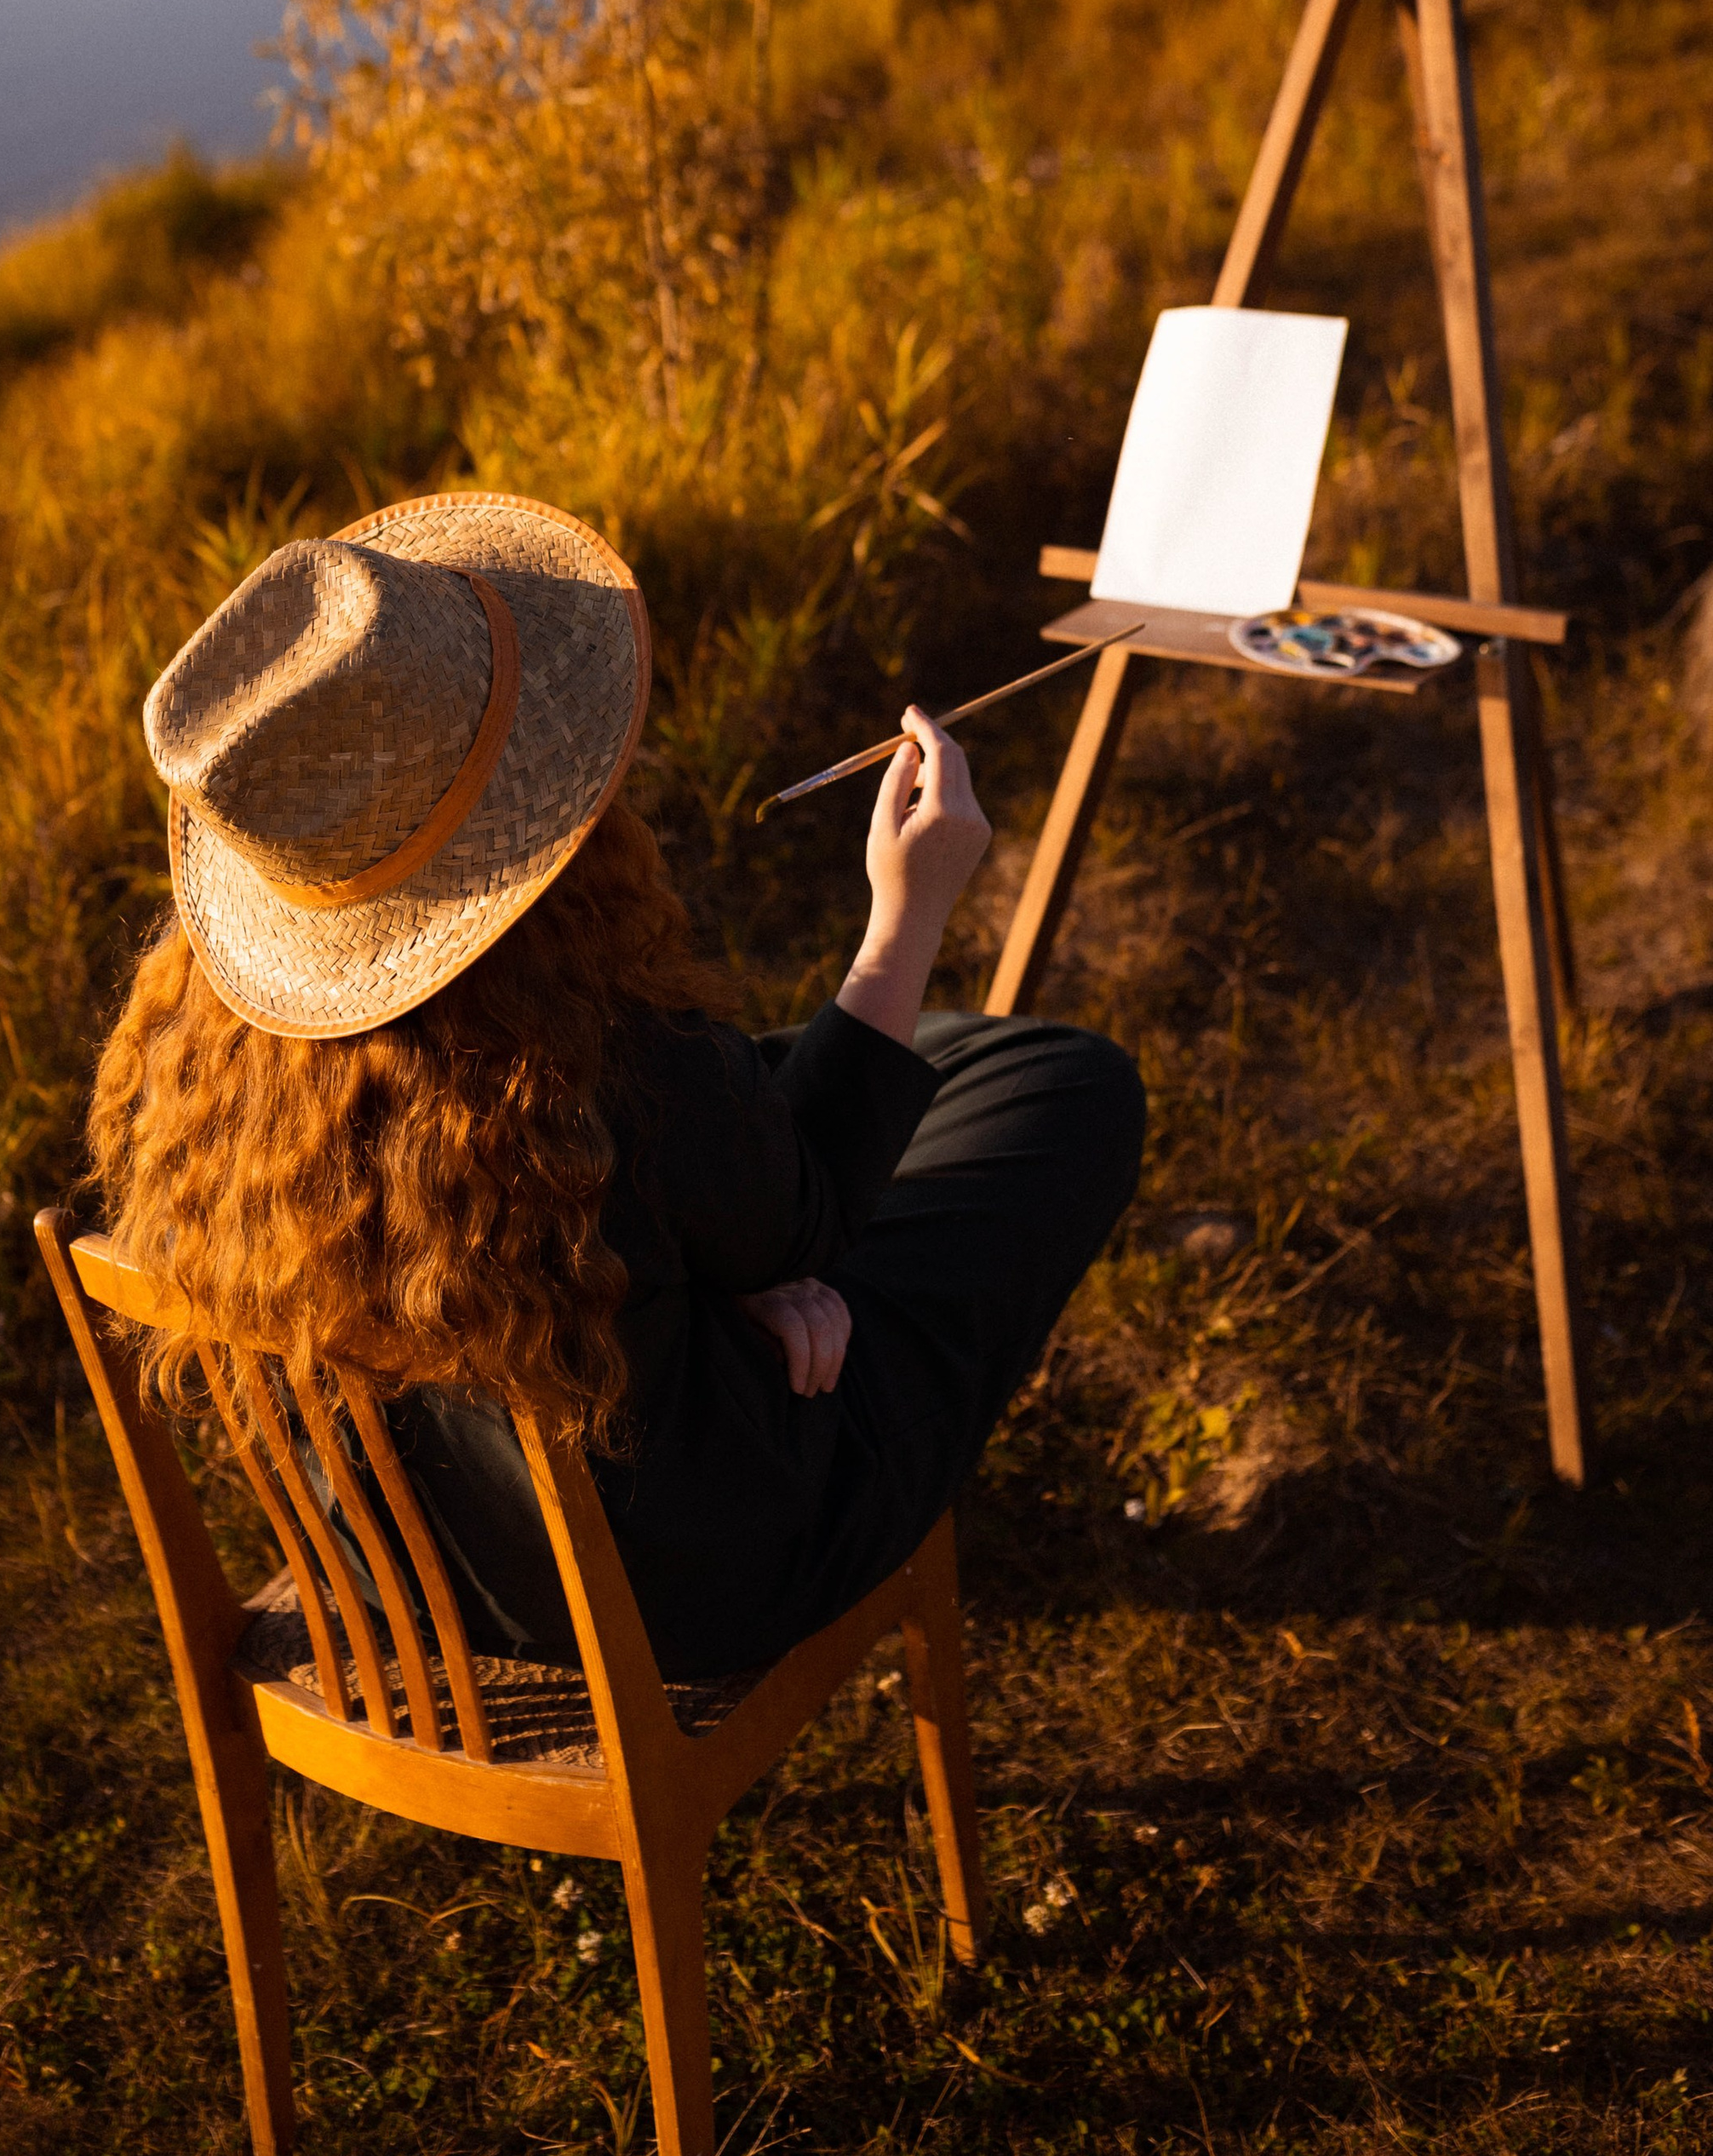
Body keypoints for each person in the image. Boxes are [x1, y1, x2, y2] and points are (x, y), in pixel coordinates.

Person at [90, 488, 1144, 1681]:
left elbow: (698, 1216)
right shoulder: (607, 1079)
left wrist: (700, 1278)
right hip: (691, 1588)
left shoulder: (215, 1075)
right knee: (1069, 1084)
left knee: (936, 1064)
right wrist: (905, 923)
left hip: (406, 1572)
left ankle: (722, 1273)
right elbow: (801, 1217)